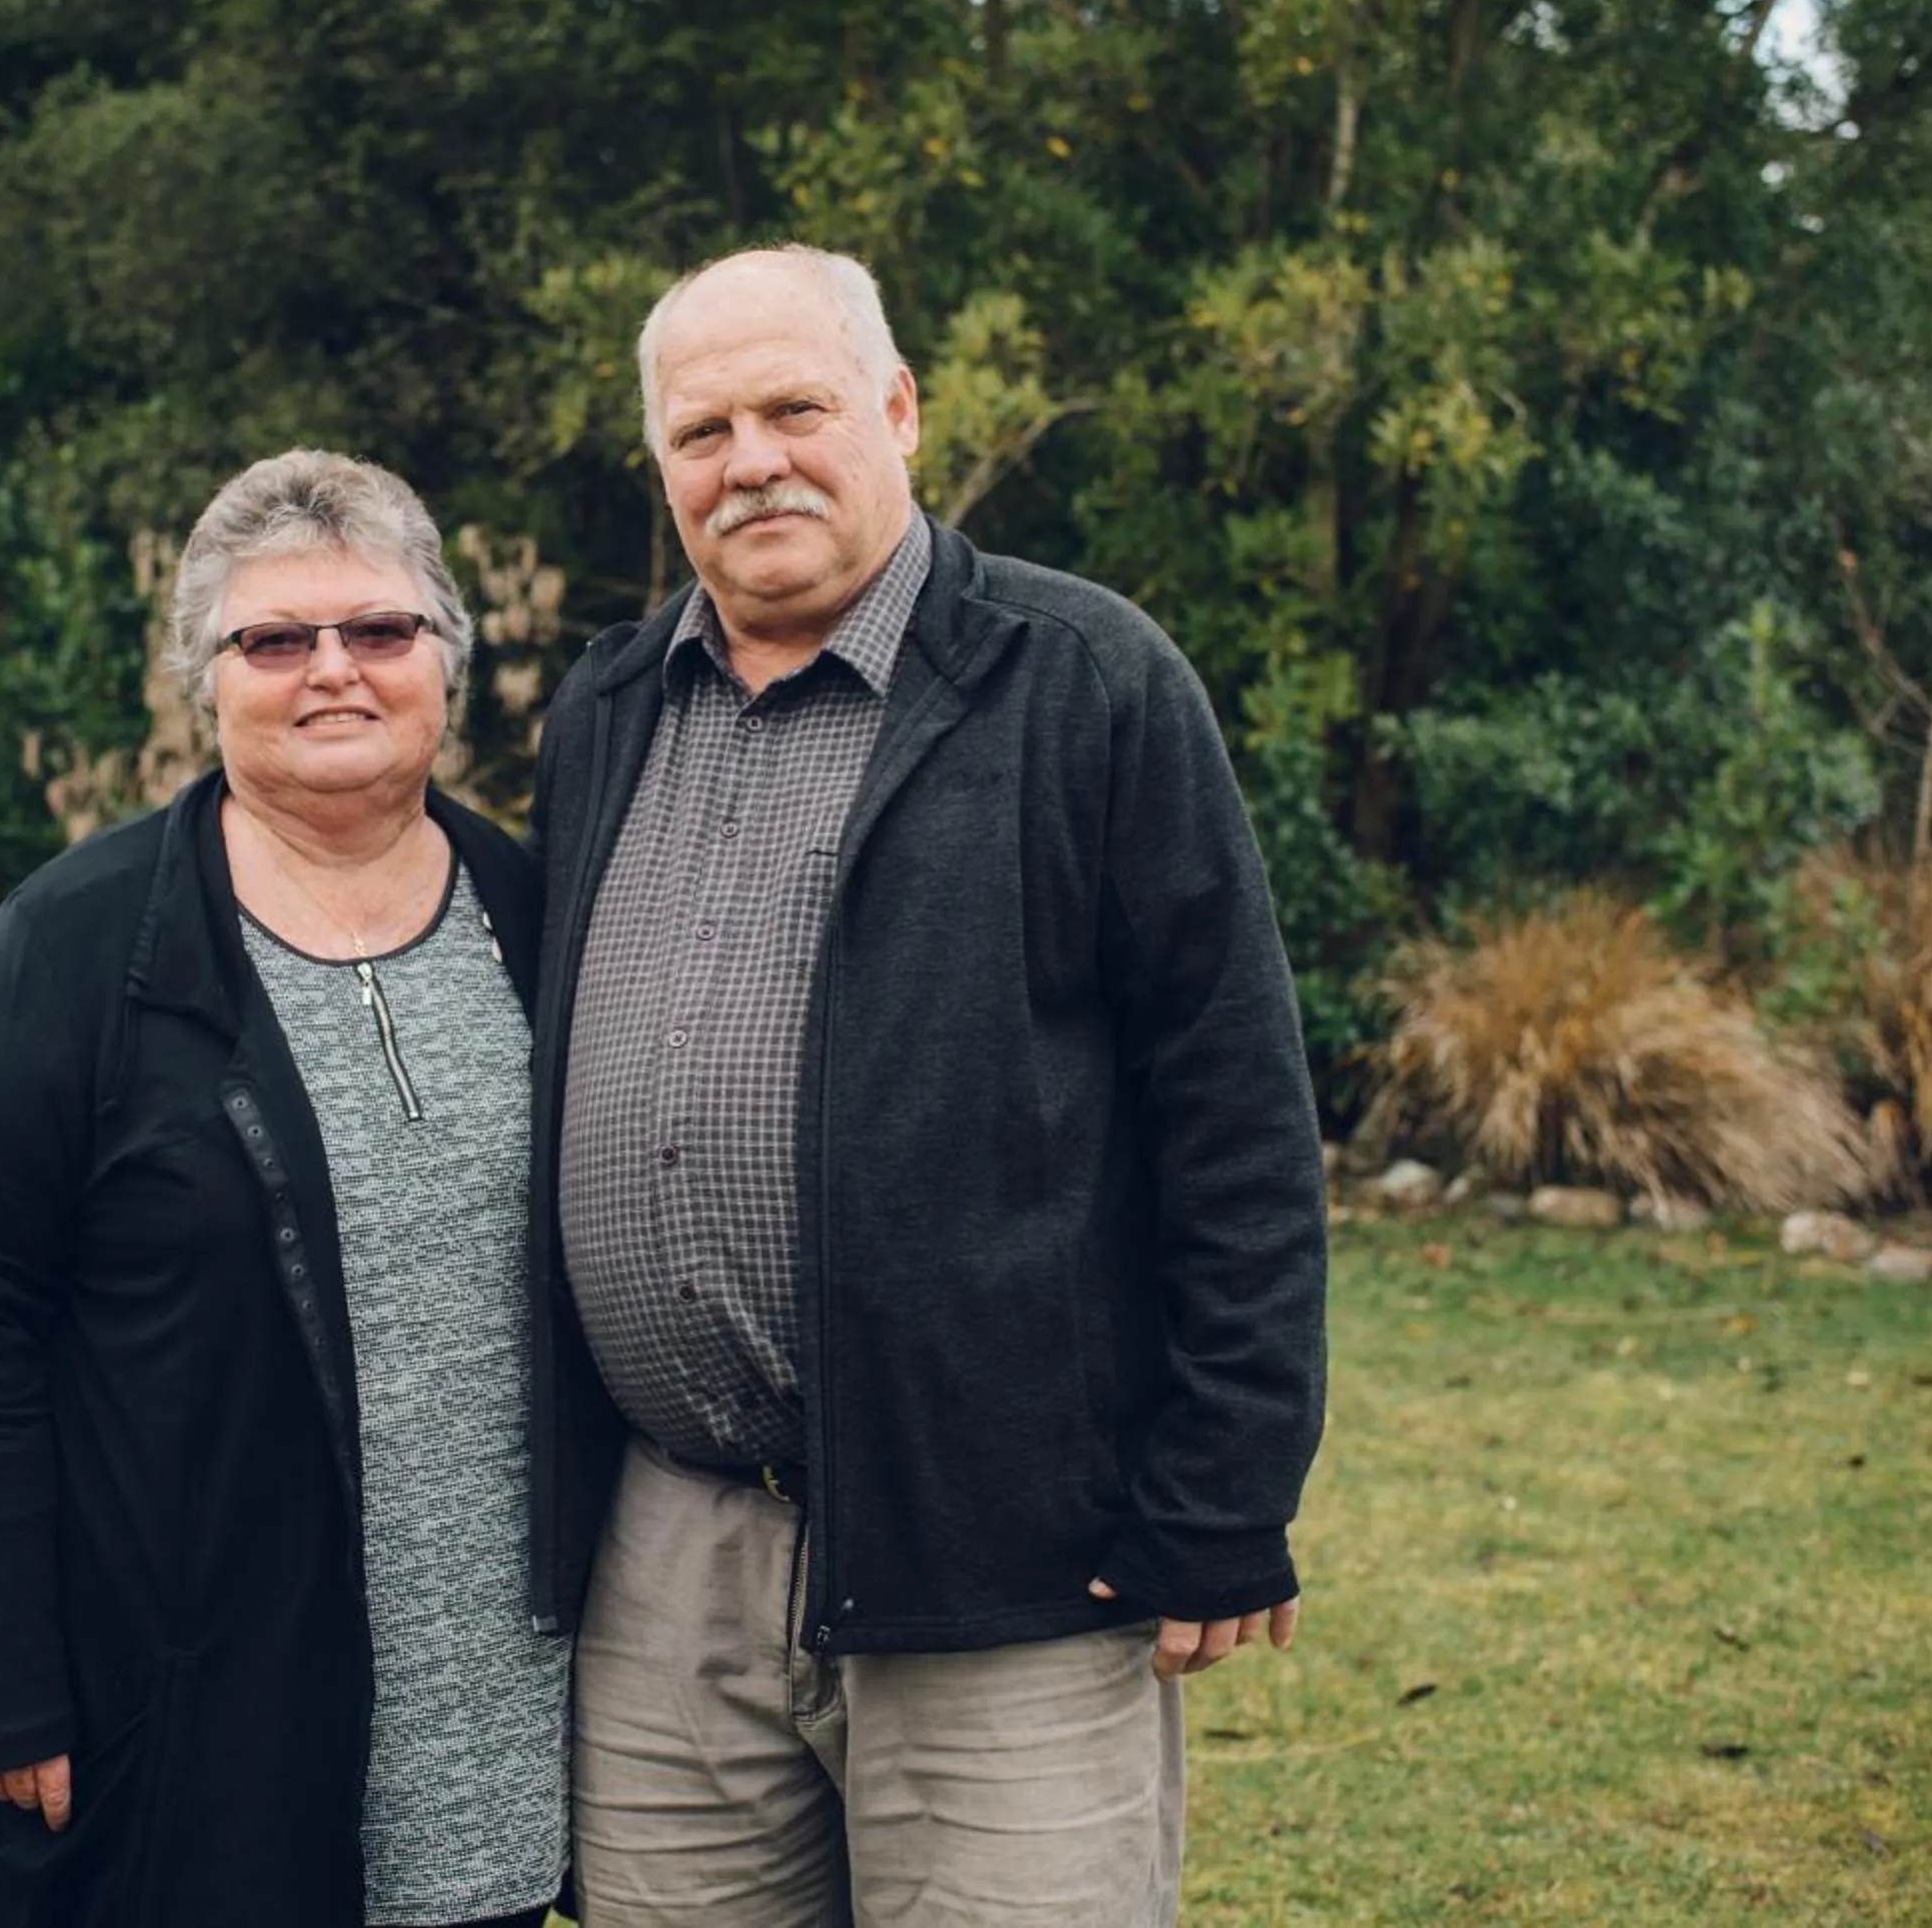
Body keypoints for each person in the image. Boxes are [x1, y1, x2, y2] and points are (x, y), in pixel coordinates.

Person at [524, 245, 1330, 1926]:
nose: (751, 460)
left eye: (795, 408)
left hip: (1004, 1545)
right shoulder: (607, 705)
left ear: (897, 409)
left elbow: (1236, 1111)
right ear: (660, 467)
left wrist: (1226, 1491)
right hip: (671, 1553)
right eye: (703, 430)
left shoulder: (1081, 682)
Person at [0, 449, 598, 1927]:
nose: (332, 669)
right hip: (189, 1682)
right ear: (202, 678)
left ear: (444, 661)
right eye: (275, 638)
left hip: (500, 1707)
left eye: (379, 630)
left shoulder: (541, 919)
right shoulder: (74, 954)